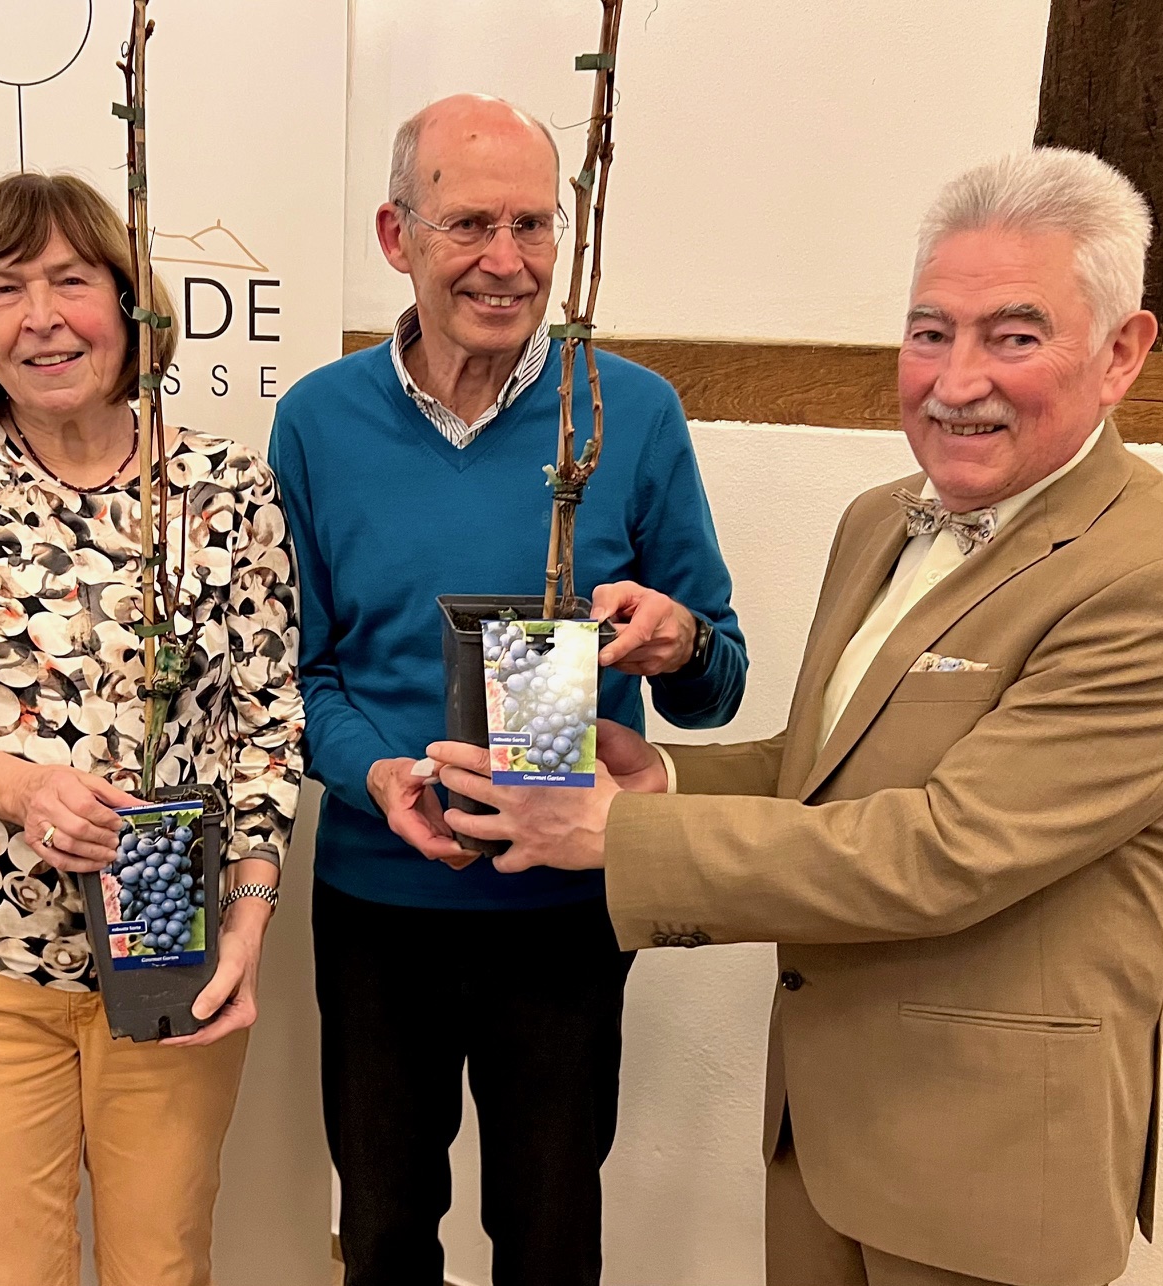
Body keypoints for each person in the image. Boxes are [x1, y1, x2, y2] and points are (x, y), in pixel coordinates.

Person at [429, 148, 1163, 1286]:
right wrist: (664, 778)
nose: (955, 380)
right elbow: (828, 768)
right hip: (820, 1136)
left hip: (993, 1163)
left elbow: (946, 848)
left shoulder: (1143, 570)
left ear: (1121, 352)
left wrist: (617, 833)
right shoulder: (882, 518)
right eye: (929, 332)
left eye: (1014, 337)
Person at [268, 94, 746, 1286]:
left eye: (533, 224)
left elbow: (716, 685)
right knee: (382, 1228)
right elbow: (301, 674)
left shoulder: (628, 413)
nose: (506, 259)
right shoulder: (317, 422)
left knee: (549, 1234)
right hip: (379, 902)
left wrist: (678, 642)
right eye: (470, 223)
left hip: (567, 902)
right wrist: (377, 776)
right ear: (397, 235)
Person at [0, 170, 303, 1286]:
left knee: (162, 1262)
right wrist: (17, 786)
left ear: (131, 304)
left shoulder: (225, 487)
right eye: (7, 288)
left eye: (70, 281)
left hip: (170, 950)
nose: (40, 316)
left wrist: (246, 919)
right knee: (7, 1269)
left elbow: (266, 725)